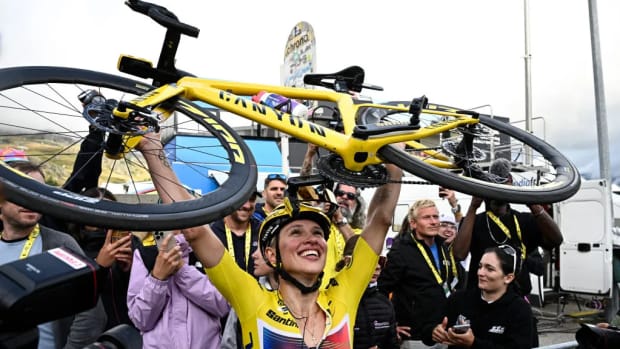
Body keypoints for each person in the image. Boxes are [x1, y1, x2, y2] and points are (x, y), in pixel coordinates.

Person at [137, 132, 403, 348]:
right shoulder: (252, 298)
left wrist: (394, 159)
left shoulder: (345, 293)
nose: (311, 240)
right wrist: (151, 147)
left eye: (318, 233)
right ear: (272, 255)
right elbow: (194, 228)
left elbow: (379, 218)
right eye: (296, 232)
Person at [0, 161, 106, 348]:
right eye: (21, 192)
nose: (31, 201)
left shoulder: (60, 244)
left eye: (39, 193)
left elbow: (92, 314)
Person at [451, 158, 563, 299]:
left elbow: (556, 240)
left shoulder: (525, 220)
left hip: (516, 297)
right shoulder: (475, 221)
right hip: (481, 298)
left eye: (504, 184)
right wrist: (473, 206)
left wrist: (532, 203)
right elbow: (459, 254)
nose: (499, 190)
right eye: (494, 185)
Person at [378, 199, 460, 348]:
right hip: (414, 336)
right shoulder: (401, 250)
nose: (434, 222)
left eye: (435, 217)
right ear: (413, 223)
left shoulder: (443, 247)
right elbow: (381, 290)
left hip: (443, 332)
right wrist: (391, 326)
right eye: (427, 217)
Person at [126, 231, 230, 348]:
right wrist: (157, 278)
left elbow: (224, 304)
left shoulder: (208, 245)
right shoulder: (146, 250)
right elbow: (140, 319)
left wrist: (182, 271)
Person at [431, 245, 533, 349]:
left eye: (490, 269)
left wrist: (473, 344)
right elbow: (430, 327)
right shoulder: (458, 299)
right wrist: (434, 331)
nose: (480, 273)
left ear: (508, 278)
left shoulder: (519, 309)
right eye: (480, 266)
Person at [338, 235, 399, 349]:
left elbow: (392, 345)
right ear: (348, 261)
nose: (377, 266)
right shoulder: (333, 300)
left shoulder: (385, 303)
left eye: (380, 260)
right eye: (369, 260)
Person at [221, 242, 279, 349]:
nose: (254, 255)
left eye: (261, 249)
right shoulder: (247, 295)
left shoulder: (310, 298)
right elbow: (229, 344)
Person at [211, 190, 262, 276]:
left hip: (254, 288)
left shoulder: (262, 230)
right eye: (242, 199)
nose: (247, 205)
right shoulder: (212, 232)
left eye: (252, 200)